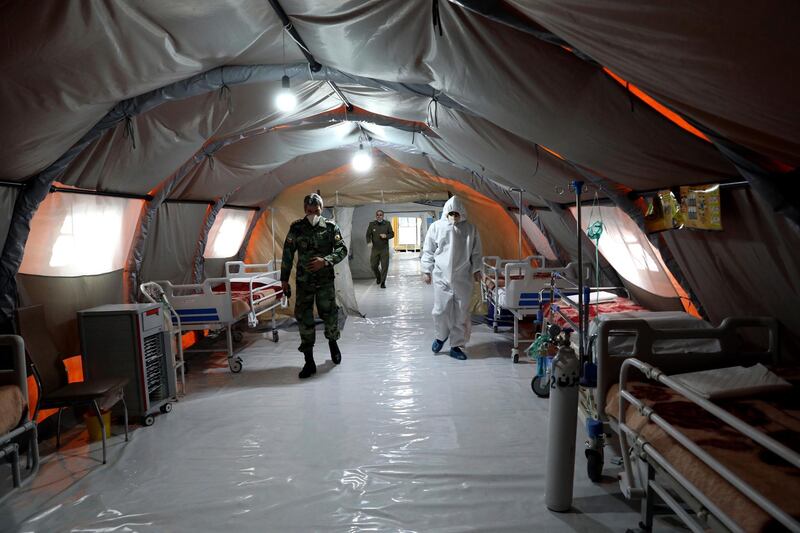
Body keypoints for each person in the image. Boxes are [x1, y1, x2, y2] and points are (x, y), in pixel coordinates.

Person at [280, 193, 348, 378]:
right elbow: (287, 253)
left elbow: (342, 249)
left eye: (316, 210)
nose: (312, 213)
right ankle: (309, 361)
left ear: (321, 208)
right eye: (309, 210)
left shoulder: (330, 227)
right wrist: (284, 280)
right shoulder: (297, 228)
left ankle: (333, 343)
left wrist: (325, 261)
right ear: (304, 210)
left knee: (330, 314)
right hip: (304, 282)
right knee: (304, 318)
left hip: (325, 281)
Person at [420, 196, 482, 360]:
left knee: (461, 313)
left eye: (457, 213)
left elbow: (476, 252)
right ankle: (441, 337)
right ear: (446, 212)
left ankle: (456, 345)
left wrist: (477, 269)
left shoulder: (470, 229)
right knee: (441, 310)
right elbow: (428, 250)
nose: (454, 216)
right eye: (451, 213)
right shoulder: (436, 227)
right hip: (441, 275)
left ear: (462, 213)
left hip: (463, 277)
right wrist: (426, 270)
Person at [365, 209, 394, 288]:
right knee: (373, 265)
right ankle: (378, 276)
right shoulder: (372, 224)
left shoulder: (387, 224)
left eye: (380, 215)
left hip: (384, 249)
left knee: (385, 266)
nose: (379, 216)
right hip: (375, 249)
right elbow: (368, 235)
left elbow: (392, 234)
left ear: (383, 216)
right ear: (376, 216)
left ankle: (383, 282)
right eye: (377, 215)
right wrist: (369, 242)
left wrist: (386, 236)